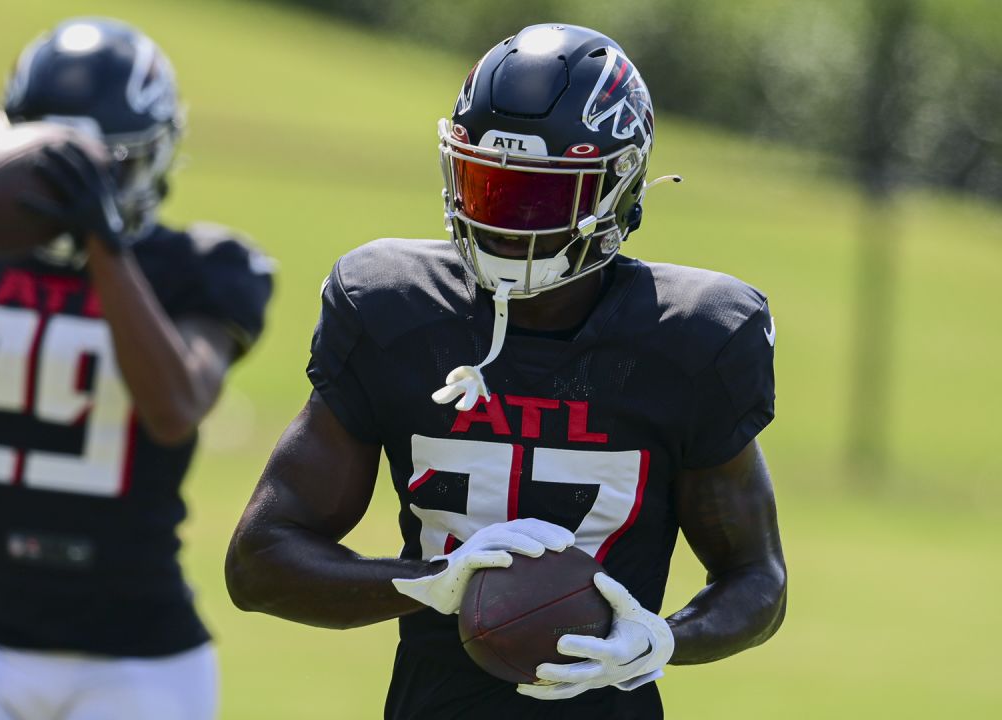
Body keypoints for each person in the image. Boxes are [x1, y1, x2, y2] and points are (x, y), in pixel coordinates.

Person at [226, 23, 785, 719]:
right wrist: (429, 582)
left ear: (618, 190)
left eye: (540, 198)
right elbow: (259, 562)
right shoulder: (396, 308)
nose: (506, 226)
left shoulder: (690, 337)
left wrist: (664, 638)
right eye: (489, 188)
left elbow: (756, 579)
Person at [0, 17, 272, 720]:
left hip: (142, 662)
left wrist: (104, 241)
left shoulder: (205, 266)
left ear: (151, 157)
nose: (76, 194)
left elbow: (175, 405)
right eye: (52, 171)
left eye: (102, 170)